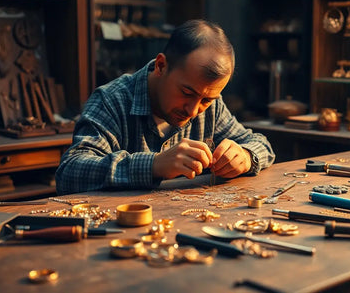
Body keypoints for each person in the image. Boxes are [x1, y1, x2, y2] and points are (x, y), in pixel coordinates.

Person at [55, 19, 275, 194]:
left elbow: (261, 144)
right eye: (187, 93)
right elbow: (70, 172)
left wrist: (245, 156)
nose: (193, 111)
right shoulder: (111, 100)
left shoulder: (211, 106)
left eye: (206, 100)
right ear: (161, 66)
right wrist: (154, 165)